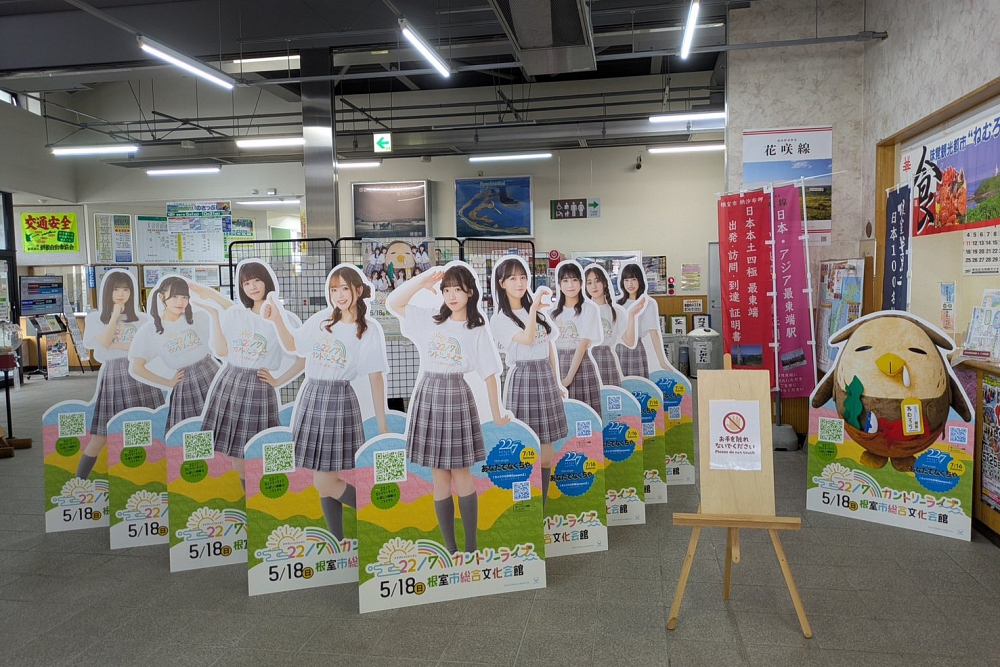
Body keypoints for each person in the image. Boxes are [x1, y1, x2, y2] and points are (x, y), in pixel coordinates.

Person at [388, 263, 510, 555]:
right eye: (446, 290)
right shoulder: (431, 320)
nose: (452, 295)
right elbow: (393, 303)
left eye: (458, 289)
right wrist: (421, 280)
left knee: (462, 473)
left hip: (456, 395)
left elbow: (490, 374)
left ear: (470, 292)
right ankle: (451, 549)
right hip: (428, 395)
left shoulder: (476, 329)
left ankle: (471, 547)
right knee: (440, 477)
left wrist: (497, 414)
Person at [266, 265, 389, 540]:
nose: (339, 295)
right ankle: (338, 539)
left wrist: (382, 425)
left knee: (324, 480)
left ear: (358, 290)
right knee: (324, 476)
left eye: (345, 288)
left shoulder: (368, 330)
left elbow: (375, 377)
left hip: (338, 400)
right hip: (312, 398)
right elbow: (294, 345)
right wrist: (277, 319)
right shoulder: (322, 320)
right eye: (334, 290)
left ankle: (376, 513)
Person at [188, 260, 305, 489]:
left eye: (257, 280)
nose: (252, 287)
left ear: (267, 281)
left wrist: (278, 381)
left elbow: (302, 358)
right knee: (237, 454)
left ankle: (276, 496)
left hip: (258, 387)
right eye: (246, 283)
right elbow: (222, 351)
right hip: (230, 383)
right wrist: (214, 314)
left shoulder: (283, 319)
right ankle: (250, 498)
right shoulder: (235, 314)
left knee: (265, 448)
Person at [490, 257, 568, 510]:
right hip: (523, 378)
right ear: (501, 283)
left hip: (545, 376)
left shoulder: (538, 310)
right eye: (512, 278)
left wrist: (557, 381)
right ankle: (524, 510)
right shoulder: (500, 319)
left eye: (523, 277)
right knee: (524, 449)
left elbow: (549, 346)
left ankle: (541, 510)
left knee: (547, 454)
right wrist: (533, 309)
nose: (519, 282)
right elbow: (528, 338)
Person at [76, 271, 165, 480]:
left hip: (140, 374)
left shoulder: (142, 319)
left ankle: (153, 479)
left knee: (149, 428)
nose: (121, 294)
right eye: (116, 289)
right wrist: (114, 317)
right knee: (102, 434)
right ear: (108, 291)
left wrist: (117, 345)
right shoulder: (96, 318)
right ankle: (79, 482)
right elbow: (104, 342)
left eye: (126, 289)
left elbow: (147, 347)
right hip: (115, 377)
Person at [129, 276, 220, 432]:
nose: (180, 302)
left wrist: (214, 310)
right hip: (185, 384)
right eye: (175, 296)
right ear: (161, 297)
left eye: (184, 297)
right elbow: (137, 367)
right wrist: (167, 382)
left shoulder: (199, 318)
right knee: (191, 430)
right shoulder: (150, 330)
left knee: (221, 425)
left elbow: (219, 345)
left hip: (211, 373)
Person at [551, 261, 604, 416]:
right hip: (557, 364)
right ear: (559, 284)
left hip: (581, 365)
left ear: (581, 283)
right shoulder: (551, 313)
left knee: (585, 415)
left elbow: (582, 345)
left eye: (574, 280)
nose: (570, 285)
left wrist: (567, 379)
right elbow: (548, 348)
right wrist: (556, 378)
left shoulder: (589, 309)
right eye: (565, 280)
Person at [616, 262, 672, 375]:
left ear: (640, 280)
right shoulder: (618, 304)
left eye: (633, 279)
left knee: (639, 383)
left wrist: (662, 362)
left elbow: (654, 334)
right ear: (622, 282)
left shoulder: (648, 303)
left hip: (636, 349)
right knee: (620, 382)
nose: (630, 284)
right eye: (626, 280)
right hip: (619, 349)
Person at [584, 264, 632, 387]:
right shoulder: (583, 311)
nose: (593, 286)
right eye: (589, 283)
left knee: (610, 393)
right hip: (586, 357)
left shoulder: (616, 311)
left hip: (607, 358)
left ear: (605, 283)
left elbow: (629, 341)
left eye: (597, 281)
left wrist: (632, 316)